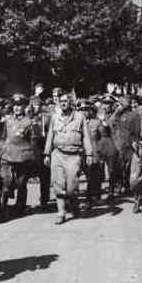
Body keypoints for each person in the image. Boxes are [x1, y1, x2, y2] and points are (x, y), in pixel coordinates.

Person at [44, 92, 93, 224]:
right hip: (58, 154)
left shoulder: (79, 117)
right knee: (58, 184)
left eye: (66, 101)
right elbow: (50, 136)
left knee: (72, 187)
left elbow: (86, 136)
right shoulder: (55, 117)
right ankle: (61, 212)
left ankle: (73, 204)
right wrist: (47, 153)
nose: (64, 103)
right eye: (61, 101)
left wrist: (89, 154)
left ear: (71, 102)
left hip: (74, 155)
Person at [0, 94, 35, 219]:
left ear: (24, 107)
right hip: (7, 154)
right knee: (6, 181)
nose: (17, 108)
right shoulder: (7, 120)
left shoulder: (28, 122)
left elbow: (32, 140)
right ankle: (2, 207)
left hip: (22, 156)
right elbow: (2, 137)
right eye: (15, 106)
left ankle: (20, 207)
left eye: (20, 106)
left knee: (21, 183)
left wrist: (31, 156)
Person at [109, 96, 140, 195]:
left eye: (121, 104)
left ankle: (127, 186)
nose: (118, 106)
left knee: (129, 167)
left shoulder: (134, 115)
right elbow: (110, 123)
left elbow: (136, 131)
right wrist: (117, 111)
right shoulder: (117, 115)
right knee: (118, 167)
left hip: (129, 145)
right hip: (119, 144)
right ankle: (118, 186)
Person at [29, 96, 51, 208]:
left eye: (37, 105)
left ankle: (44, 199)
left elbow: (50, 132)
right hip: (29, 149)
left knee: (44, 175)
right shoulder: (27, 116)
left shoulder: (45, 117)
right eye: (33, 105)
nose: (35, 107)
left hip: (41, 148)